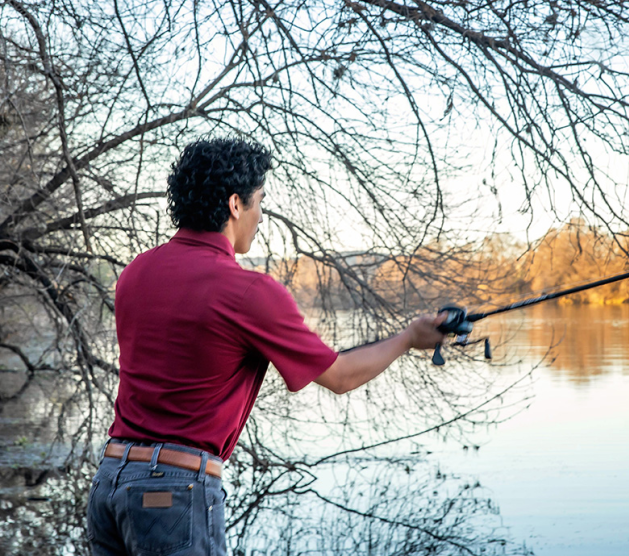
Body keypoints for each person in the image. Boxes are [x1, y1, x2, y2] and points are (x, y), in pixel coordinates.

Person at [86, 138, 446, 556]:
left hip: (109, 481)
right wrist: (408, 339)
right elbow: (341, 376)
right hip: (172, 493)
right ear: (235, 204)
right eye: (260, 202)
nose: (261, 216)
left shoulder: (135, 273)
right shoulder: (249, 291)